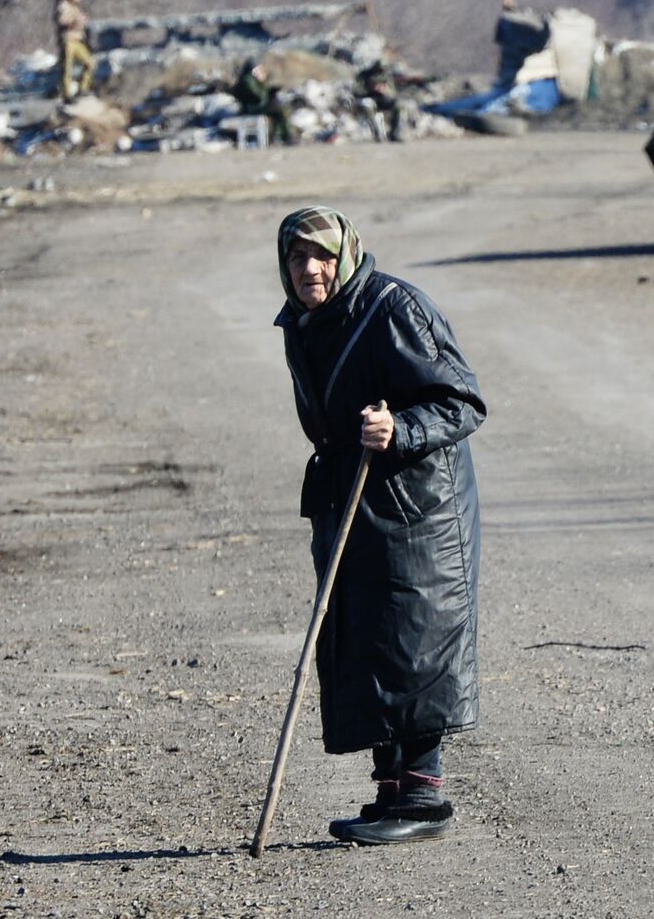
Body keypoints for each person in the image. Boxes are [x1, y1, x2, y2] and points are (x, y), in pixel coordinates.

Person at [274, 207, 487, 845]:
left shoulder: (393, 308)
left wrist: (402, 429)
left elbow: (461, 400)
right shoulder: (307, 321)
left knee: (413, 636)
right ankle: (391, 788)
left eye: (322, 255)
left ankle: (423, 796)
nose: (310, 268)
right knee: (369, 637)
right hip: (356, 498)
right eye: (296, 257)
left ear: (347, 254)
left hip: (418, 506)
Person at [234, 60, 297, 145]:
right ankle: (287, 137)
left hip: (255, 107)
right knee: (281, 109)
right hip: (252, 108)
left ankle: (275, 137)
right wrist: (263, 85)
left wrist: (271, 90)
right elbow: (258, 96)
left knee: (279, 111)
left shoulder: (250, 80)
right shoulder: (248, 81)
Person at [54, 0, 94, 102]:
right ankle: (67, 95)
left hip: (78, 39)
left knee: (90, 63)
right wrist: (75, 21)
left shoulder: (75, 7)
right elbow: (61, 21)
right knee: (67, 67)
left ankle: (83, 88)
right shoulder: (63, 5)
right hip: (67, 40)